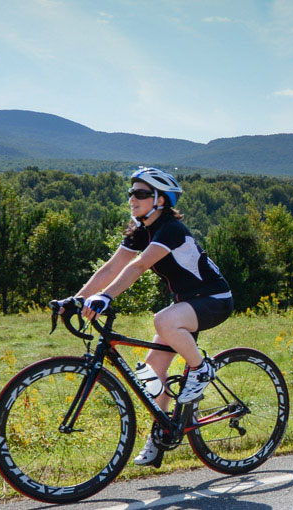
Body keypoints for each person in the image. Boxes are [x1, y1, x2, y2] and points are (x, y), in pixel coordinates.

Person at [55, 166, 234, 467]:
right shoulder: (142, 231)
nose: (132, 199)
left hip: (214, 299)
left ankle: (201, 369)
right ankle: (162, 434)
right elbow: (110, 269)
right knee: (151, 375)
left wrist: (106, 296)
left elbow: (138, 267)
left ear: (160, 200)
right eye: (131, 194)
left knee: (163, 319)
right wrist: (78, 298)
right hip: (186, 304)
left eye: (140, 194)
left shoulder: (172, 230)